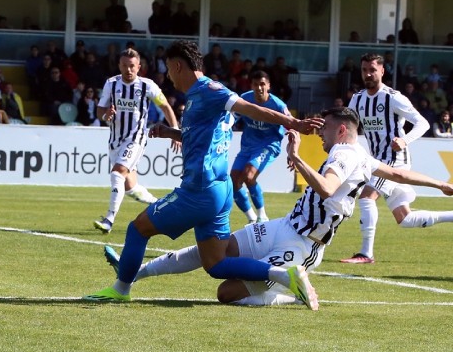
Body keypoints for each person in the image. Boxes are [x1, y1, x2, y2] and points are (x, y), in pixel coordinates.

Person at [101, 107, 453, 306]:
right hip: (284, 225)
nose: (322, 134)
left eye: (326, 128)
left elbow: (329, 188)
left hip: (301, 244)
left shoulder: (343, 154)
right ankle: (136, 273)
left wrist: (297, 159)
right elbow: (398, 173)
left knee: (226, 293)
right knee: (217, 251)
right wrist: (439, 183)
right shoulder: (360, 155)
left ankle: (290, 289)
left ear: (343, 129)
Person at [83, 40, 323, 307]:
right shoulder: (199, 96)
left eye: (168, 70)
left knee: (138, 229)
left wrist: (294, 122)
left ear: (177, 65)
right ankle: (284, 275)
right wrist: (172, 132)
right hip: (219, 191)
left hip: (199, 191)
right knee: (216, 264)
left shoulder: (210, 89)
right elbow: (204, 137)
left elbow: (251, 109)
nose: (168, 76)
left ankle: (121, 288)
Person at [342, 53, 449, 264]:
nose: (368, 74)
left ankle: (366, 253)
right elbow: (348, 125)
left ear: (382, 71)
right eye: (364, 70)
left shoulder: (393, 97)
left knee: (366, 197)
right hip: (376, 160)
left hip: (394, 159)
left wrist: (405, 140)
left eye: (372, 70)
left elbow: (423, 123)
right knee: (405, 218)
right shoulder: (358, 98)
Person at [92, 48, 180, 234]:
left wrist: (175, 131)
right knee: (129, 186)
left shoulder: (148, 86)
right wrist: (106, 115)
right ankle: (161, 205)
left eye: (132, 66)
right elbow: (100, 111)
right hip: (115, 141)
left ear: (139, 67)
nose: (128, 69)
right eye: (124, 65)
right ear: (119, 66)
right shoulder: (111, 84)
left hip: (136, 139)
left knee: (117, 174)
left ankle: (108, 219)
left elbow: (165, 106)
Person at [231, 70, 288, 224]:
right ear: (252, 85)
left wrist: (293, 152)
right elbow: (231, 119)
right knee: (234, 180)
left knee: (249, 176)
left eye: (262, 84)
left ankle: (262, 216)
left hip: (268, 145)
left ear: (268, 86)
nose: (259, 88)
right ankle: (252, 218)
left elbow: (291, 126)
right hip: (248, 146)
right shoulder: (245, 99)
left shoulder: (277, 105)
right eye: (256, 84)